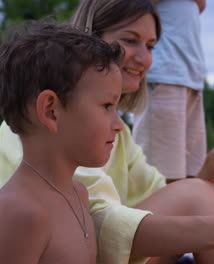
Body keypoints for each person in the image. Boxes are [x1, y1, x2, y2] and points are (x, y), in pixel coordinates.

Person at [0, 1, 214, 264]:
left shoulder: (112, 142)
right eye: (129, 41)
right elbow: (100, 222)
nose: (144, 58)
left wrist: (211, 169)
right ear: (90, 38)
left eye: (152, 45)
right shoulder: (30, 163)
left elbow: (167, 198)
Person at [0, 21, 124, 263]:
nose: (119, 124)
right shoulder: (20, 213)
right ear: (51, 111)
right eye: (107, 105)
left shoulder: (79, 194)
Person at [133, 0, 208, 183]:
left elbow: (201, 5)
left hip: (192, 78)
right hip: (163, 76)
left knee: (194, 175)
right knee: (160, 178)